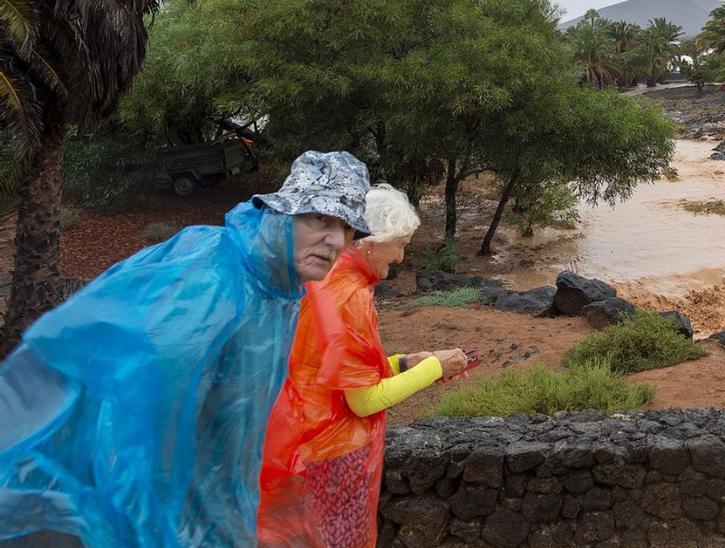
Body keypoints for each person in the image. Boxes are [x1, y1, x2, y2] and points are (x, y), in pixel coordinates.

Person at [0, 151, 373, 547]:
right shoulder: (213, 278)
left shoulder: (278, 291)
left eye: (348, 229)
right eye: (320, 219)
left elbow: (230, 426)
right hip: (118, 515)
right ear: (283, 215)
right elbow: (140, 418)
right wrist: (157, 530)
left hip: (207, 512)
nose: (336, 241)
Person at [257, 184, 468, 548]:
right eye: (400, 244)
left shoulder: (325, 281)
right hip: (332, 455)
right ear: (372, 240)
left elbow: (338, 373)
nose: (401, 257)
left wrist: (404, 363)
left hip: (302, 442)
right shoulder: (350, 297)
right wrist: (434, 367)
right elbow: (363, 400)